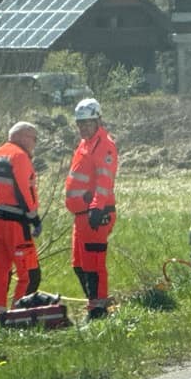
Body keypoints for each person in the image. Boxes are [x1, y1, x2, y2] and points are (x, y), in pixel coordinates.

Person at [63, 98, 118, 319]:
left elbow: (105, 180)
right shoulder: (85, 145)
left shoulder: (104, 145)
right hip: (81, 215)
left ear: (98, 121)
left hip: (96, 213)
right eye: (80, 123)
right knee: (79, 264)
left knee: (94, 265)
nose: (83, 127)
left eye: (87, 123)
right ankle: (95, 304)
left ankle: (98, 309)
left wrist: (96, 208)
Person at [0, 122, 42, 319]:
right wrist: (34, 219)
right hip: (15, 223)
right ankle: (18, 317)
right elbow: (26, 191)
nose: (34, 144)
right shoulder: (19, 156)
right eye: (34, 139)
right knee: (30, 274)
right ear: (24, 137)